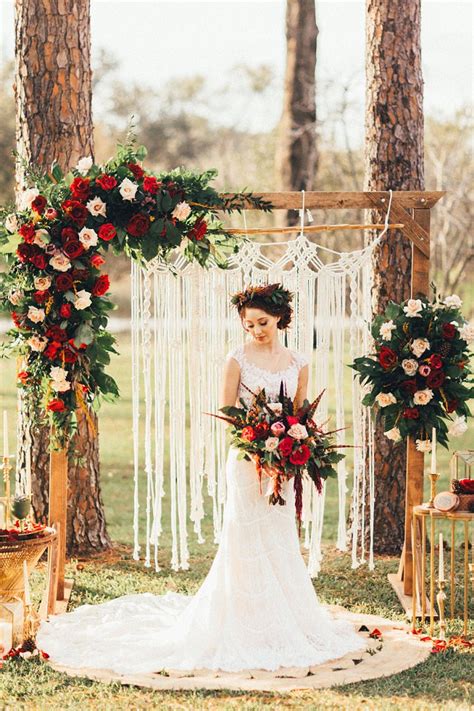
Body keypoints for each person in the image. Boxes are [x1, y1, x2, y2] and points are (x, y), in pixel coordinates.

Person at [37, 283, 364, 674]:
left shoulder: (299, 362)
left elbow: (300, 413)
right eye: (249, 324)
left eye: (263, 322)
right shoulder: (237, 358)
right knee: (245, 539)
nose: (257, 330)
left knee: (279, 539)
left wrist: (294, 446)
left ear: (280, 318)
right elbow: (227, 411)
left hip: (286, 466)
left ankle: (282, 620)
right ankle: (241, 621)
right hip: (247, 461)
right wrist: (260, 443)